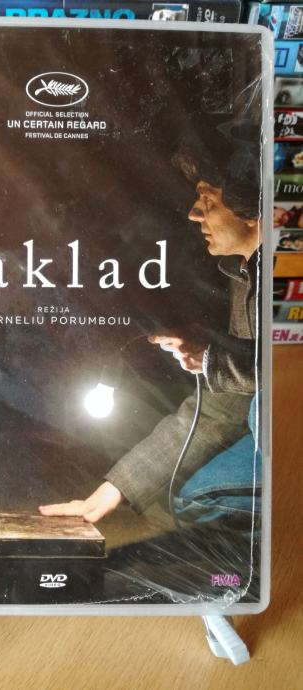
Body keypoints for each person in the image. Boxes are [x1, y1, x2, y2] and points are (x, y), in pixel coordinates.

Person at [39, 125, 262, 525]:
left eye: (207, 199)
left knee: (206, 492)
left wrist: (214, 358)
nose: (194, 213)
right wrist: (112, 491)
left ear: (251, 210)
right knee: (191, 496)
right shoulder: (244, 275)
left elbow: (289, 370)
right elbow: (224, 407)